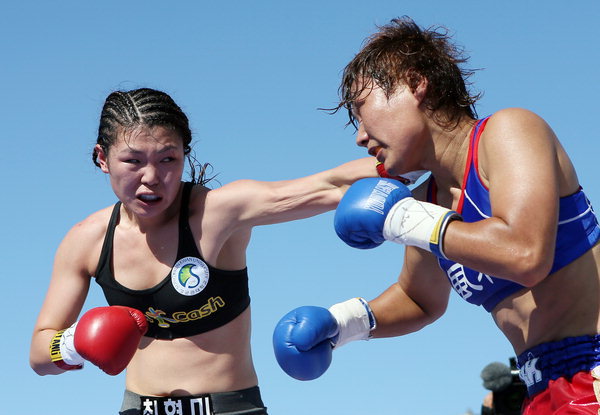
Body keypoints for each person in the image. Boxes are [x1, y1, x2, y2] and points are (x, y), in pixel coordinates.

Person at [272, 17, 600, 414]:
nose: (360, 135)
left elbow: (525, 255)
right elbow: (419, 299)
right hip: (544, 386)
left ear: (414, 83)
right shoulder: (427, 200)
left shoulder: (508, 131)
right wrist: (341, 324)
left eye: (362, 109)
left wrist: (405, 219)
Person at [29, 87, 382, 415]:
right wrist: (74, 343)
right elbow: (39, 354)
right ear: (102, 158)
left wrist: (420, 157)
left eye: (168, 159)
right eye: (133, 161)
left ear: (185, 155)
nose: (152, 176)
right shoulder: (85, 241)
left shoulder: (217, 214)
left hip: (231, 408)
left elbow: (331, 185)